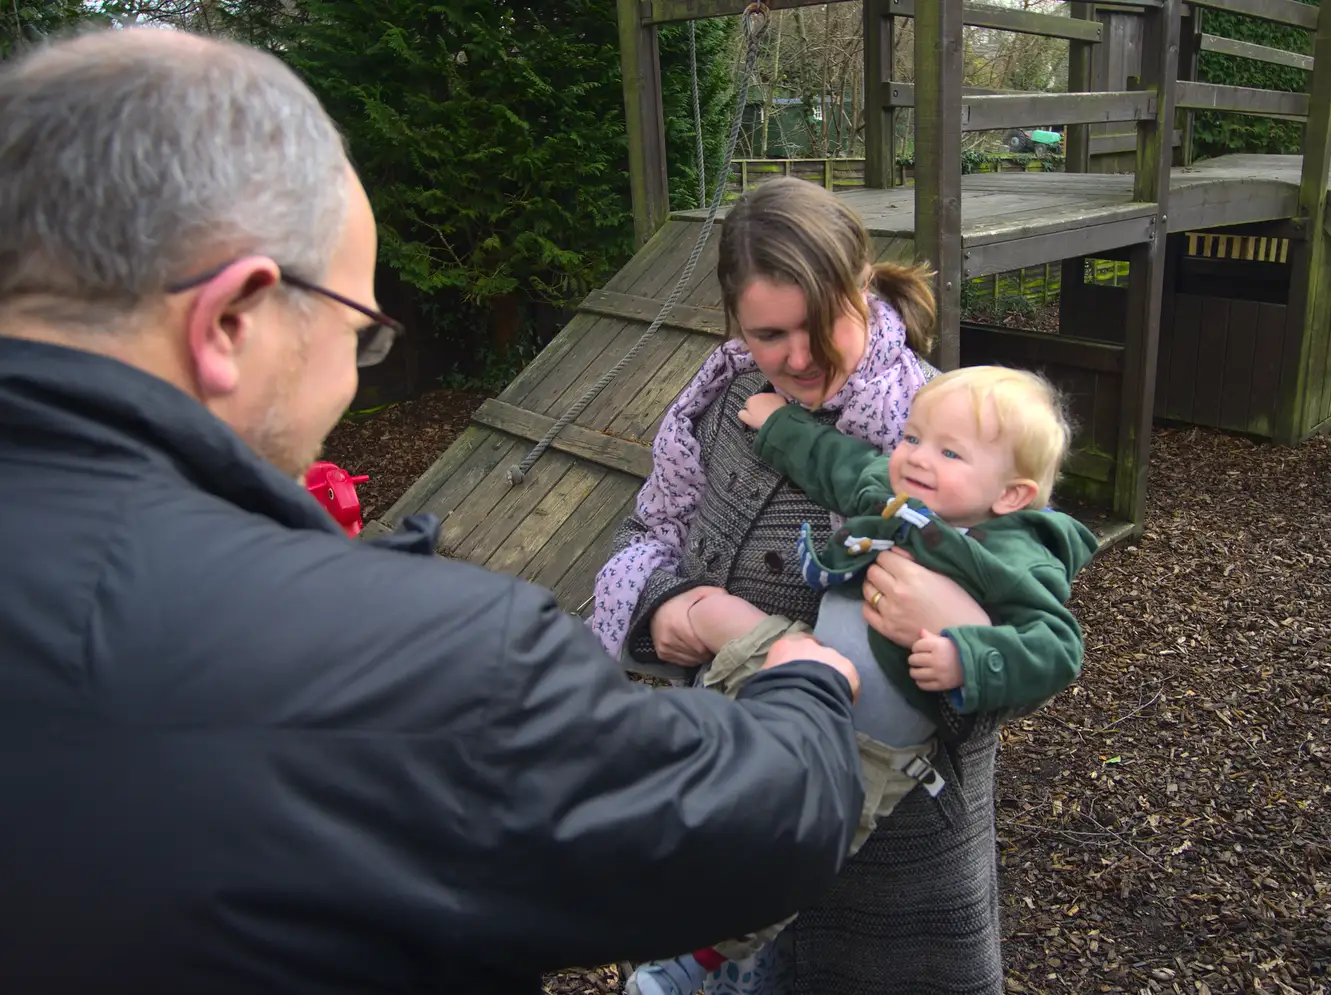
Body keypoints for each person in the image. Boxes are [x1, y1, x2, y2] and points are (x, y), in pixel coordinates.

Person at [0, 28, 875, 995]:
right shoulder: (420, 670)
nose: (349, 373)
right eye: (356, 329)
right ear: (232, 321)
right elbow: (758, 823)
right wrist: (797, 678)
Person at [591, 176, 1014, 995]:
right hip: (732, 812)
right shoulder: (715, 409)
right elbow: (643, 538)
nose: (799, 357)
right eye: (769, 334)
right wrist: (685, 611)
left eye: (821, 323)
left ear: (861, 284)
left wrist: (962, 631)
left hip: (890, 855)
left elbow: (1027, 644)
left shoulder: (945, 430)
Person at [626, 366, 1099, 995]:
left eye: (949, 452)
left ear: (1011, 495)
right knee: (728, 798)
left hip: (873, 750)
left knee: (797, 849)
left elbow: (1056, 648)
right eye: (911, 438)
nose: (916, 458)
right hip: (806, 683)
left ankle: (703, 962)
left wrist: (966, 654)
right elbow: (838, 462)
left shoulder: (1012, 557)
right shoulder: (896, 497)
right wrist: (779, 423)